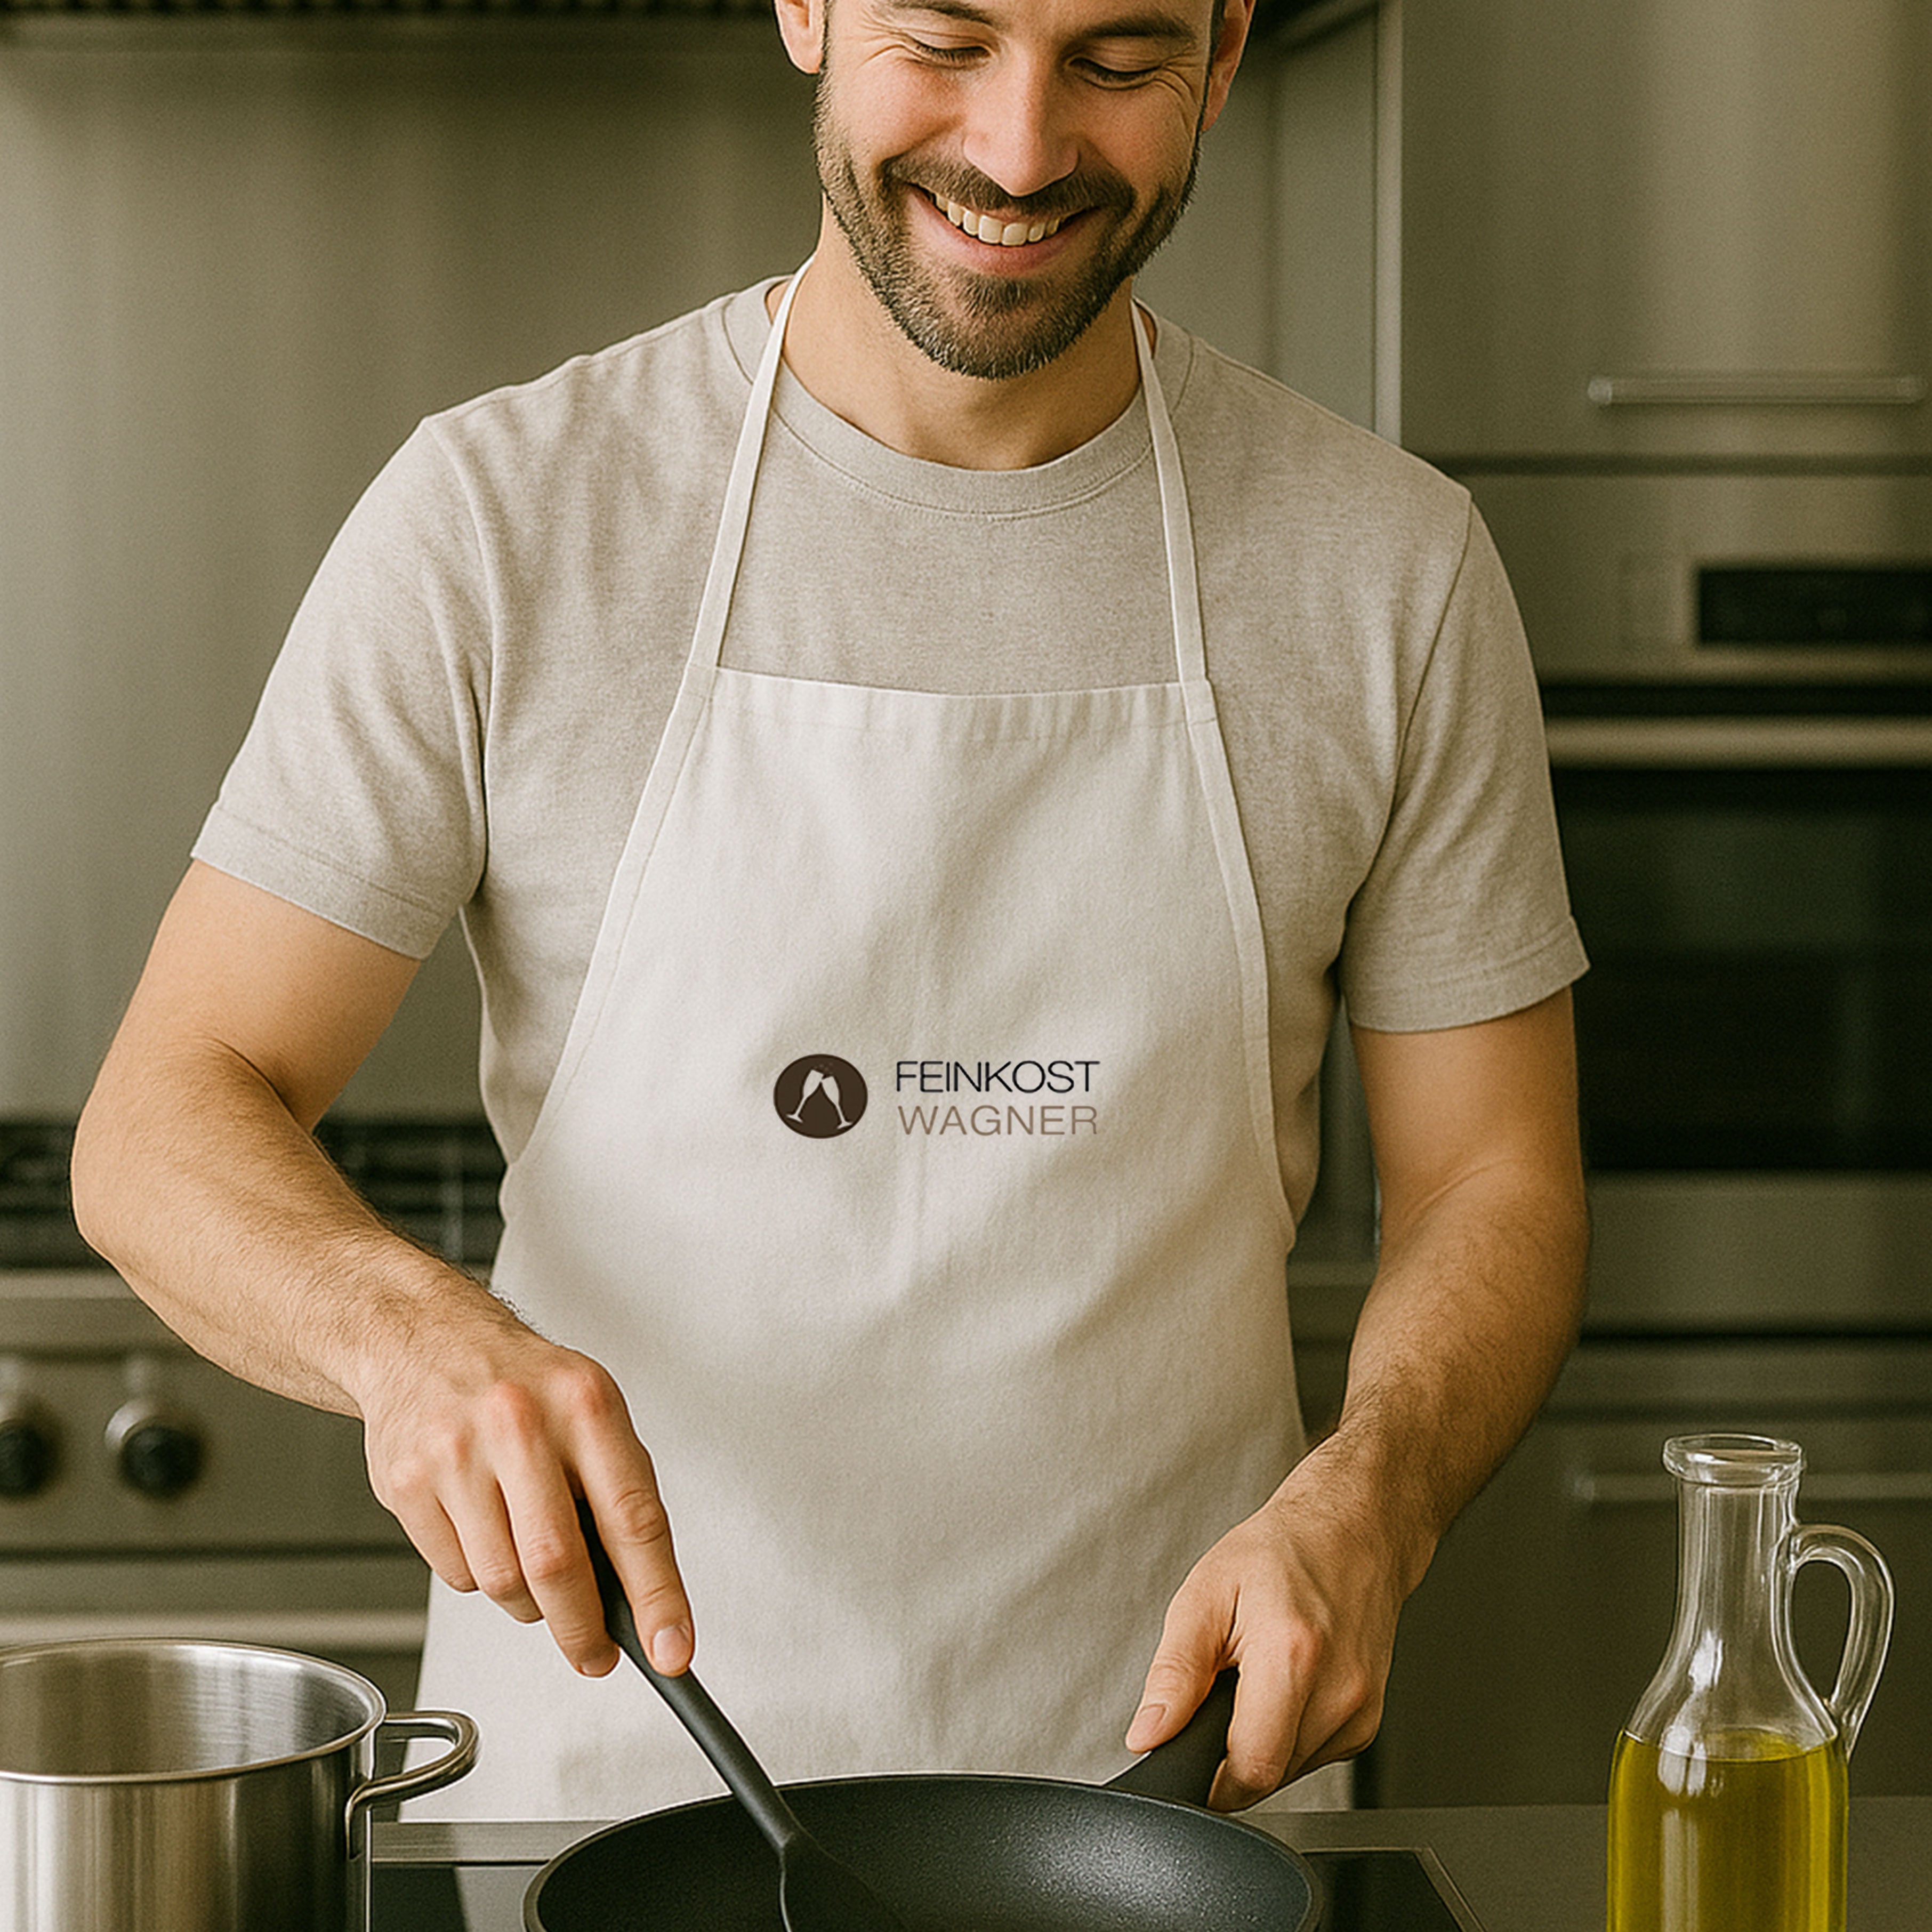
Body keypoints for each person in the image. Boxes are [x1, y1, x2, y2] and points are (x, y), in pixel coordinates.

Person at [71, 0, 1589, 1822]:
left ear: (1232, 42)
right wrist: (412, 1340)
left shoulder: (1389, 572)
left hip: (1162, 1823)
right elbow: (168, 1111)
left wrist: (1377, 1496)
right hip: (602, 1810)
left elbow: (1492, 1181)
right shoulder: (503, 520)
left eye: (1116, 61)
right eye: (946, 41)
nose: (1023, 151)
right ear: (806, 6)